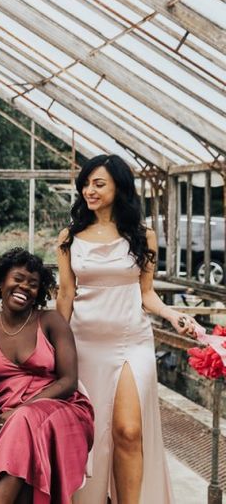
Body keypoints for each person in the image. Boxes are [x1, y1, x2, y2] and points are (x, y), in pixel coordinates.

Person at [56, 153, 199, 503]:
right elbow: (66, 295)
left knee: (128, 431)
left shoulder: (142, 236)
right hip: (84, 344)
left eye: (98, 183)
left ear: (119, 186)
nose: (89, 190)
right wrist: (55, 348)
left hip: (131, 342)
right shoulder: (69, 238)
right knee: (90, 434)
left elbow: (146, 293)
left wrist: (173, 316)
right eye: (86, 184)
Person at [0, 248, 94, 504]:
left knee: (23, 422)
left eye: (33, 284)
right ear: (1, 281)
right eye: (18, 278)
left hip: (60, 409)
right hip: (13, 418)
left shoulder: (51, 321)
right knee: (23, 469)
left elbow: (68, 381)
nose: (24, 287)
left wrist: (21, 409)